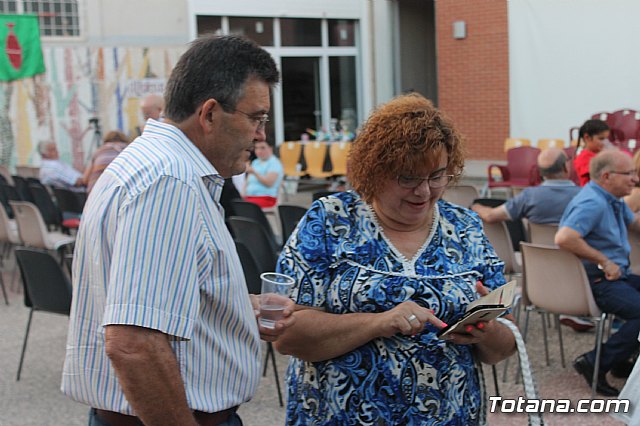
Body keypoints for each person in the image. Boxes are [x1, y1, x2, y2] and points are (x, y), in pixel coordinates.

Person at [61, 35, 294, 426]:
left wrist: (234, 304)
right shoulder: (170, 181)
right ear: (209, 114)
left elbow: (150, 305)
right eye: (256, 118)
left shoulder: (149, 162)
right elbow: (134, 343)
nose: (261, 135)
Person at [274, 93, 516, 425]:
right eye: (408, 178)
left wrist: (486, 331)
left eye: (437, 176)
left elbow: (504, 345)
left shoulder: (465, 228)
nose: (424, 192)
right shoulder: (330, 221)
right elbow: (286, 334)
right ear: (374, 170)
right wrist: (379, 322)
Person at [472, 148, 593, 332]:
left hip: (539, 274)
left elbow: (490, 217)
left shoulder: (529, 197)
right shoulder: (585, 196)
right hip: (580, 271)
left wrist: (476, 206)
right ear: (565, 167)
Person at [556, 149, 640, 396]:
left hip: (615, 276)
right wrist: (604, 261)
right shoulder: (592, 201)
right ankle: (596, 363)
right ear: (607, 176)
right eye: (629, 174)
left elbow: (633, 223)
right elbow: (564, 238)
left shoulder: (611, 198)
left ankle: (622, 356)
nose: (635, 179)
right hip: (597, 279)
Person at [243, 139, 283, 208]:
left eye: (263, 148)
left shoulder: (274, 163)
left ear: (270, 149)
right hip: (250, 197)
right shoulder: (256, 162)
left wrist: (254, 172)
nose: (259, 151)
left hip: (266, 198)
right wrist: (242, 193)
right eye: (256, 148)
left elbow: (269, 183)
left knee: (245, 208)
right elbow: (247, 182)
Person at [573, 119, 610, 186]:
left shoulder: (602, 155)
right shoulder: (583, 158)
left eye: (606, 139)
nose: (605, 142)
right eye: (601, 139)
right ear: (587, 137)